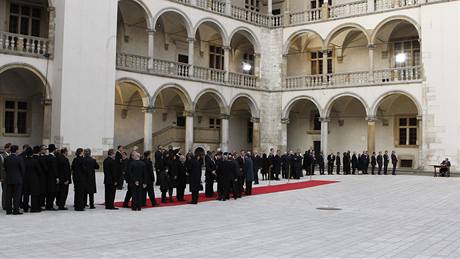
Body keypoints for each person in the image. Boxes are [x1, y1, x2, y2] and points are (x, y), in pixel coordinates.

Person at [4, 145, 25, 215]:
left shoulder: (6, 158)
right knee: (17, 195)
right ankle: (16, 210)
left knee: (8, 196)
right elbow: (22, 169)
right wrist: (21, 177)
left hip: (9, 179)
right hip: (18, 179)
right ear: (16, 150)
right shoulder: (19, 158)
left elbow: (5, 168)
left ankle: (8, 210)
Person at [24, 146, 43, 213]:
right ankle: (34, 208)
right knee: (34, 194)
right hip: (34, 180)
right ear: (32, 154)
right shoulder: (35, 161)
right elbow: (39, 171)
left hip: (25, 180)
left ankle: (25, 208)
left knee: (26, 195)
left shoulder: (23, 160)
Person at [45, 144, 59, 210]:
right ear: (54, 150)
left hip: (47, 177)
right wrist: (57, 177)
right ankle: (50, 205)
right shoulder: (53, 158)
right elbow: (54, 169)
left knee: (48, 192)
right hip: (52, 177)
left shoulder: (47, 157)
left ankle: (48, 204)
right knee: (52, 192)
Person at [0, 143, 11, 210]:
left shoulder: (11, 155)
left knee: (9, 191)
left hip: (11, 176)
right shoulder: (1, 156)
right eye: (9, 147)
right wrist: (1, 177)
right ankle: (4, 205)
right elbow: (1, 168)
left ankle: (9, 204)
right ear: (6, 148)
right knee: (5, 192)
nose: (10, 149)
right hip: (4, 176)